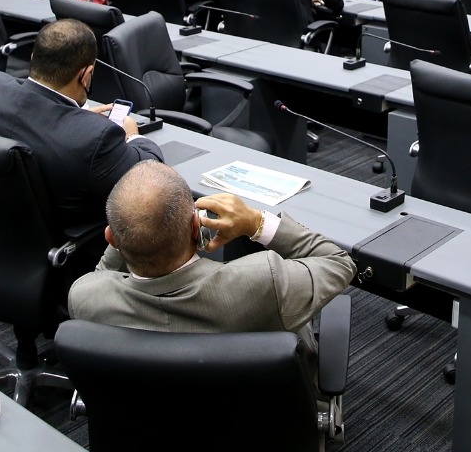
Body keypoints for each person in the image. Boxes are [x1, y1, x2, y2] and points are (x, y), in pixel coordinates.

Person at [67, 160, 356, 393]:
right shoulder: (264, 283)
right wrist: (257, 222)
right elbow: (339, 262)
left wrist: (127, 231)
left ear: (111, 239)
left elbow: (102, 276)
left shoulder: (86, 298)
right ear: (197, 227)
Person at [0, 20, 164, 248]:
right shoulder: (95, 139)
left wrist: (77, 118)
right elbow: (151, 175)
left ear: (32, 58)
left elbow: (30, 117)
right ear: (86, 75)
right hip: (65, 253)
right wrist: (131, 134)